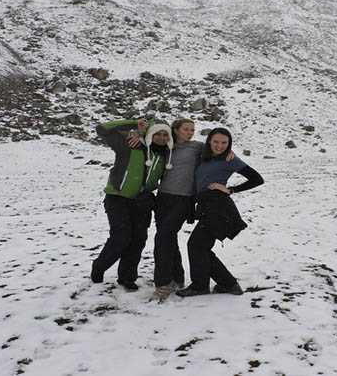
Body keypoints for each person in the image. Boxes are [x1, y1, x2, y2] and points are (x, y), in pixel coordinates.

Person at [149, 118, 235, 302]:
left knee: (163, 237)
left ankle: (163, 283)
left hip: (184, 199)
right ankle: (177, 277)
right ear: (176, 130)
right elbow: (148, 139)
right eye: (186, 129)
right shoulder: (166, 146)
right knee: (167, 237)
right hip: (163, 197)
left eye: (192, 129)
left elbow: (217, 149)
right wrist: (135, 133)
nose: (190, 132)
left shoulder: (197, 147)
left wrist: (230, 152)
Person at [176, 127, 264, 297]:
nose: (220, 146)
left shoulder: (230, 159)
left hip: (219, 207)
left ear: (229, 144)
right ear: (209, 141)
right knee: (200, 247)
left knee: (196, 246)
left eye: (224, 143)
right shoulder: (203, 155)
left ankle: (203, 286)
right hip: (207, 206)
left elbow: (257, 179)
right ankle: (228, 284)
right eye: (216, 141)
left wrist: (230, 189)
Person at [90, 118, 173, 291]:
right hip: (117, 198)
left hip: (143, 201)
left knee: (138, 240)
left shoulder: (167, 154)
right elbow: (102, 129)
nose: (161, 138)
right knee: (121, 237)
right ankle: (99, 266)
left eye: (165, 134)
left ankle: (127, 277)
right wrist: (135, 125)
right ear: (150, 134)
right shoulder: (129, 144)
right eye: (157, 133)